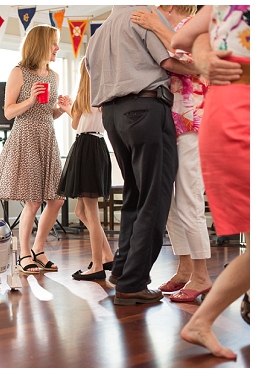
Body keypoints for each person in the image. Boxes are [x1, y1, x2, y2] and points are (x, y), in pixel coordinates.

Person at [85, 6, 198, 306]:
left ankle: (122, 271)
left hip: (111, 115)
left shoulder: (98, 33)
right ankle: (133, 282)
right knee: (156, 196)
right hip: (146, 108)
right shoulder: (143, 15)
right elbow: (170, 61)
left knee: (135, 194)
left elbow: (90, 73)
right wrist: (204, 68)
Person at [172, 4, 249, 359]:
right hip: (238, 112)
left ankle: (202, 321)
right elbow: (184, 38)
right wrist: (204, 59)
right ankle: (203, 318)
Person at [131, 6, 214, 302]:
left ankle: (202, 275)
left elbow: (196, 61)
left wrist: (157, 26)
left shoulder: (198, 24)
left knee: (189, 198)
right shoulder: (161, 23)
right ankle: (184, 268)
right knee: (168, 201)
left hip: (195, 120)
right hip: (167, 121)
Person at [0, 24, 71, 275]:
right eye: (54, 43)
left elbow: (48, 114)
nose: (57, 48)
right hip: (26, 135)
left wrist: (62, 110)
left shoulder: (54, 76)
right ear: (41, 44)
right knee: (33, 200)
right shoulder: (19, 72)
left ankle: (38, 250)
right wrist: (30, 99)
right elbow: (9, 112)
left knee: (57, 199)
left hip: (47, 136)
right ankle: (23, 254)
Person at [58, 58, 114, 281]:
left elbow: (77, 125)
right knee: (81, 211)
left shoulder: (86, 92)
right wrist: (69, 108)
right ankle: (108, 256)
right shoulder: (104, 92)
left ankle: (97, 265)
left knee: (89, 211)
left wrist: (69, 108)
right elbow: (81, 122)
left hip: (86, 148)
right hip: (96, 145)